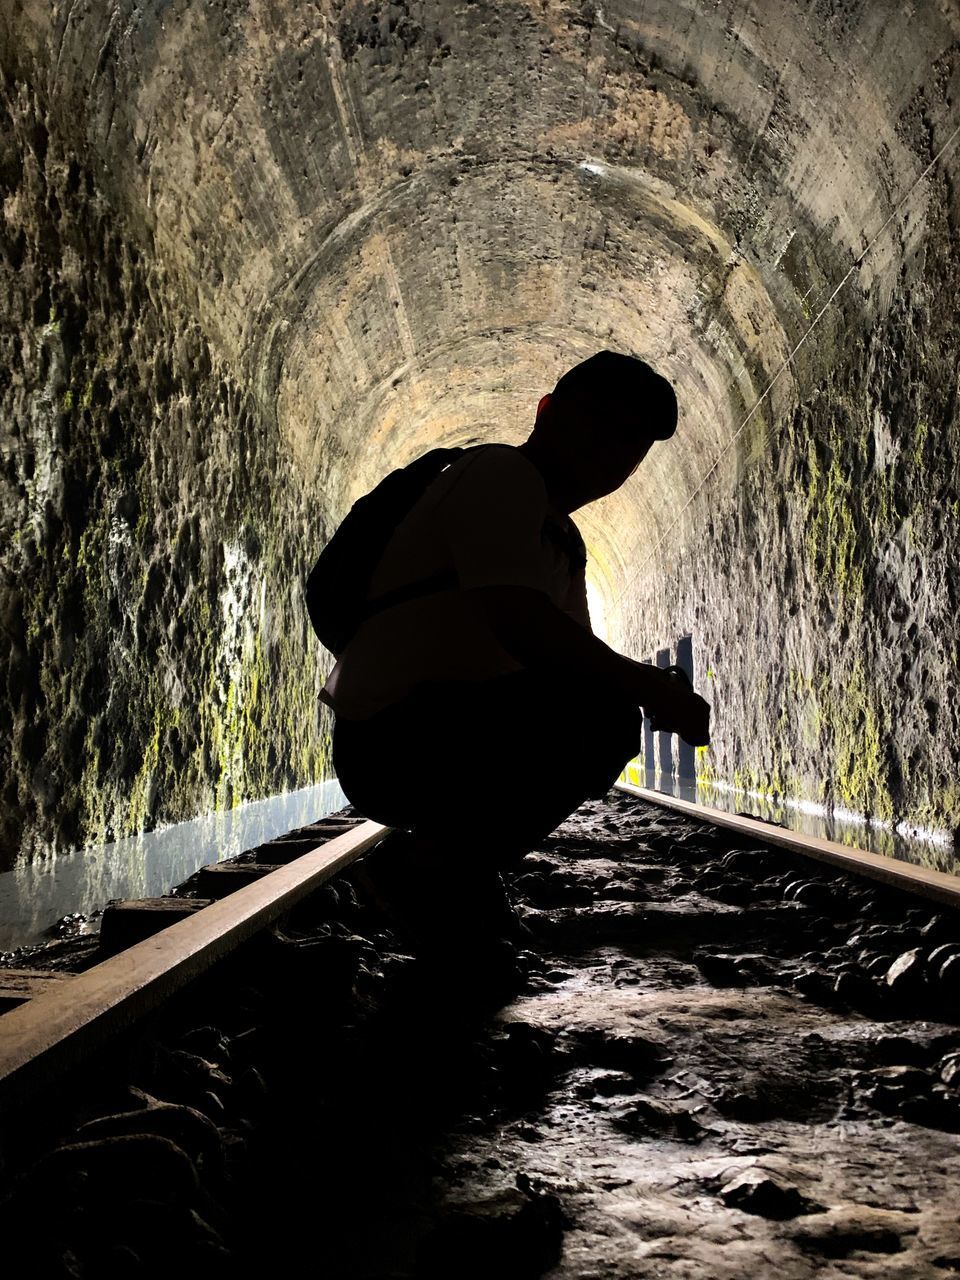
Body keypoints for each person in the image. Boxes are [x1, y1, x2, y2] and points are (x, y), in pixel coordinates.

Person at [319, 350, 710, 936]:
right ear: (547, 411)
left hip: (447, 735)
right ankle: (421, 872)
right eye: (598, 421)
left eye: (631, 441)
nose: (611, 449)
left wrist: (643, 687)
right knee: (602, 715)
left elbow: (572, 655)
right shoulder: (500, 475)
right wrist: (650, 685)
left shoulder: (562, 541)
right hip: (392, 740)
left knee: (601, 707)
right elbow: (520, 623)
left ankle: (450, 869)